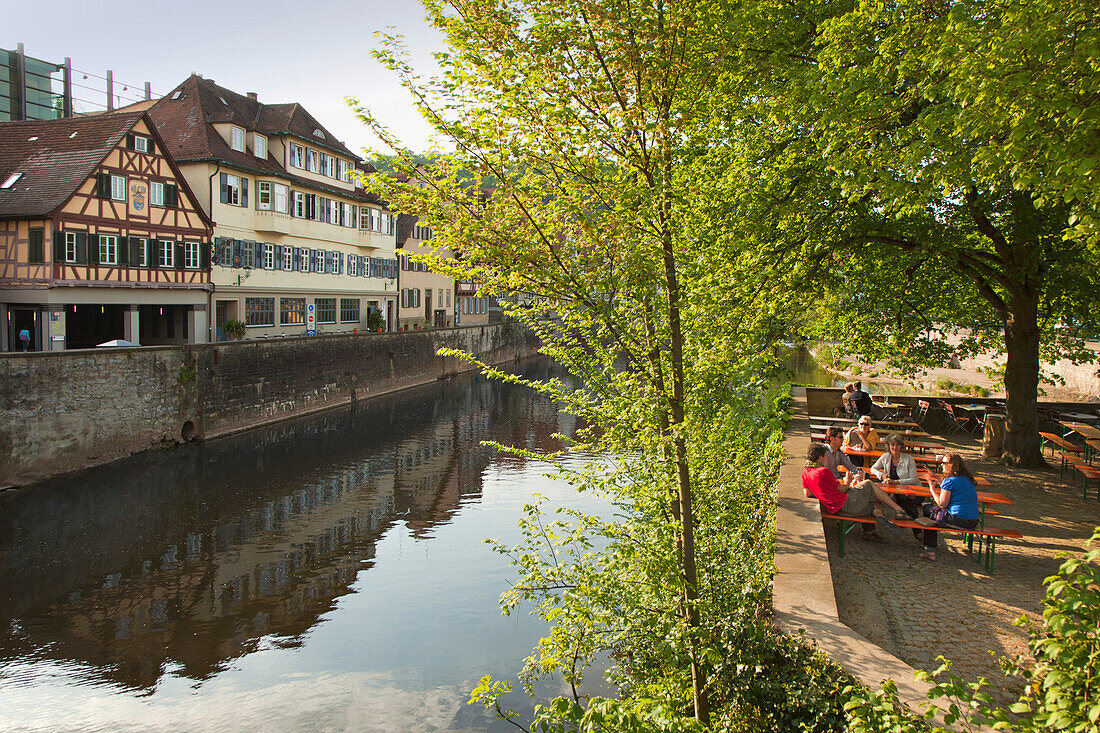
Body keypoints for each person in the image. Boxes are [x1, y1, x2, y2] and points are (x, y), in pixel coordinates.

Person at [803, 442, 906, 541]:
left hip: (833, 508)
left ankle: (880, 517)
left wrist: (822, 491)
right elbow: (843, 489)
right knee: (868, 483)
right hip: (845, 504)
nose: (826, 459)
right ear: (820, 457)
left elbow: (807, 493)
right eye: (825, 456)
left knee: (874, 505)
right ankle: (899, 509)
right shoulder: (823, 471)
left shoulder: (805, 472)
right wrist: (848, 481)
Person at [916, 452, 980, 561]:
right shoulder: (967, 479)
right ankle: (928, 546)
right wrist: (935, 476)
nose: (941, 465)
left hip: (958, 520)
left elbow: (942, 503)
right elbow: (951, 489)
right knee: (933, 511)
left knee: (927, 508)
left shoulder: (949, 481)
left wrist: (931, 488)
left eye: (944, 463)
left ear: (952, 465)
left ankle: (930, 551)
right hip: (973, 521)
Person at [869, 433, 923, 519]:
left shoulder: (909, 459)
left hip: (914, 491)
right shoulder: (885, 457)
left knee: (904, 498)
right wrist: (882, 475)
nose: (895, 447)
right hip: (896, 493)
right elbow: (873, 469)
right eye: (892, 445)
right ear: (888, 446)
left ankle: (906, 517)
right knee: (876, 495)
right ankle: (908, 519)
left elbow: (914, 480)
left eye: (897, 445)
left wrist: (896, 482)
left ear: (901, 446)